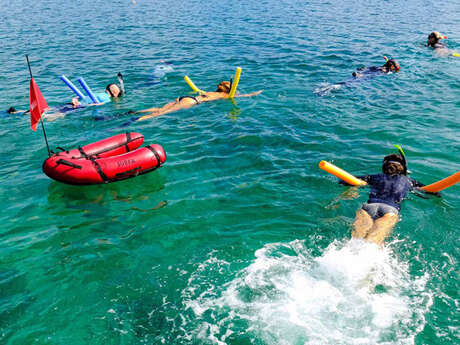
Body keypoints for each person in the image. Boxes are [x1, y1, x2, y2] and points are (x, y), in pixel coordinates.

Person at [342, 151, 437, 245]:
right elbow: (433, 193)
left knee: (356, 241)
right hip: (390, 210)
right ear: (403, 169)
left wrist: (362, 184)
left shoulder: (374, 177)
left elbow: (345, 181)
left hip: (368, 207)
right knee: (373, 242)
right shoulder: (408, 181)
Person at [134, 81, 262, 121]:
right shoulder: (223, 96)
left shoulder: (212, 92)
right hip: (191, 102)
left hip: (185, 97)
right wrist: (253, 94)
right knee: (161, 114)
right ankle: (137, 120)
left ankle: (134, 113)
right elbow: (241, 96)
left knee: (159, 109)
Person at [314, 57, 400, 96]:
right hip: (363, 76)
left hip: (362, 72)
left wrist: (360, 72)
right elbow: (390, 71)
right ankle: (326, 90)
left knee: (345, 82)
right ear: (392, 66)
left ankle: (325, 88)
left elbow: (369, 68)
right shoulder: (386, 71)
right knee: (346, 84)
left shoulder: (380, 67)